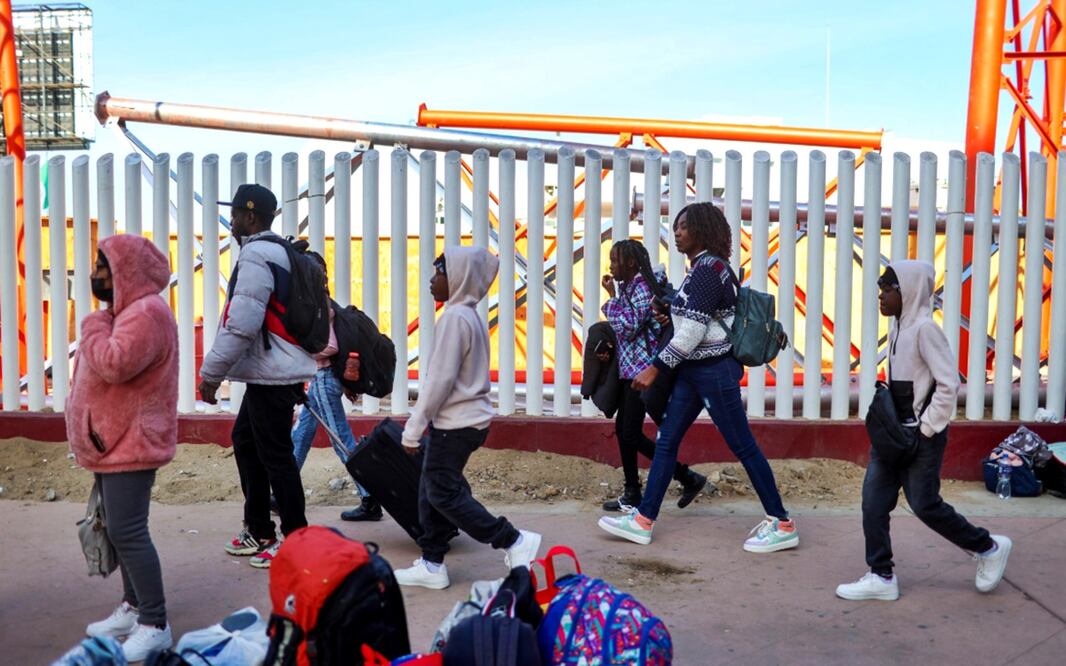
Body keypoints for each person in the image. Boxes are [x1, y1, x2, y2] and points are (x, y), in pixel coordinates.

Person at [598, 202, 799, 552]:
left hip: (713, 372)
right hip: (694, 371)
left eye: (684, 226)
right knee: (667, 440)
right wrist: (669, 312)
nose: (677, 232)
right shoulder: (703, 268)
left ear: (703, 230)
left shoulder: (708, 270)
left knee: (743, 445)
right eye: (676, 226)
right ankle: (644, 520)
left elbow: (692, 331)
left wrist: (655, 367)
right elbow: (692, 319)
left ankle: (782, 522)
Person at [836, 262, 1011, 601]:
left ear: (910, 292)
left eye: (889, 289)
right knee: (873, 502)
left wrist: (928, 428)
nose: (881, 296)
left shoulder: (925, 330)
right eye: (881, 288)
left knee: (925, 504)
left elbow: (949, 383)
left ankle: (988, 548)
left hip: (921, 438)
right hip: (892, 437)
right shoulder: (900, 328)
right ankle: (881, 576)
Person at [393, 247, 542, 589]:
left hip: (456, 425)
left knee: (442, 493)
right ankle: (432, 563)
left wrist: (413, 429)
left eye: (439, 272)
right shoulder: (467, 314)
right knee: (430, 487)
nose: (432, 280)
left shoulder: (456, 318)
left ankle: (512, 540)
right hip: (462, 422)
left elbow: (439, 381)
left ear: (458, 278)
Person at [66, 234, 178, 661]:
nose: (95, 276)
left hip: (131, 441)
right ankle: (134, 608)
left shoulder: (146, 313)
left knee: (128, 532)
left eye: (103, 268)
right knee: (117, 527)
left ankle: (155, 622)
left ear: (125, 272)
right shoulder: (129, 311)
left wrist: (94, 324)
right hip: (113, 441)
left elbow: (114, 363)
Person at [198, 183, 316, 569]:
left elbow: (241, 325)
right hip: (271, 372)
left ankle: (295, 538)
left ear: (251, 217)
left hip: (273, 375)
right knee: (245, 441)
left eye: (234, 215)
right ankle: (260, 528)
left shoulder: (256, 257)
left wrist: (211, 374)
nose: (230, 222)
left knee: (276, 457)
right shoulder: (279, 251)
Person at [599, 239, 707, 513]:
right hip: (630, 369)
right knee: (624, 432)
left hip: (643, 370)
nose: (611, 265)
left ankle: (684, 476)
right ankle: (634, 490)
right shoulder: (632, 287)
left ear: (632, 263)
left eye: (615, 260)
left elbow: (629, 326)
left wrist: (610, 301)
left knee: (630, 433)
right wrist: (616, 293)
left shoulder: (643, 288)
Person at [289, 251, 381, 522]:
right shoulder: (317, 302)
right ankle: (284, 493)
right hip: (320, 381)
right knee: (302, 436)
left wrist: (302, 354)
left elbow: (330, 346)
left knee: (341, 439)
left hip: (325, 380)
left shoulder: (320, 305)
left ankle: (369, 498)